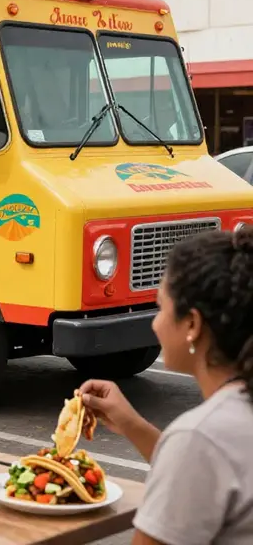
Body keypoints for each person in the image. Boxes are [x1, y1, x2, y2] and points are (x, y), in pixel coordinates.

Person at [79, 227, 253, 545]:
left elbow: (199, 455)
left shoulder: (199, 437)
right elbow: (206, 473)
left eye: (161, 307)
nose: (154, 323)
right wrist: (132, 425)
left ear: (192, 324)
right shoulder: (226, 423)